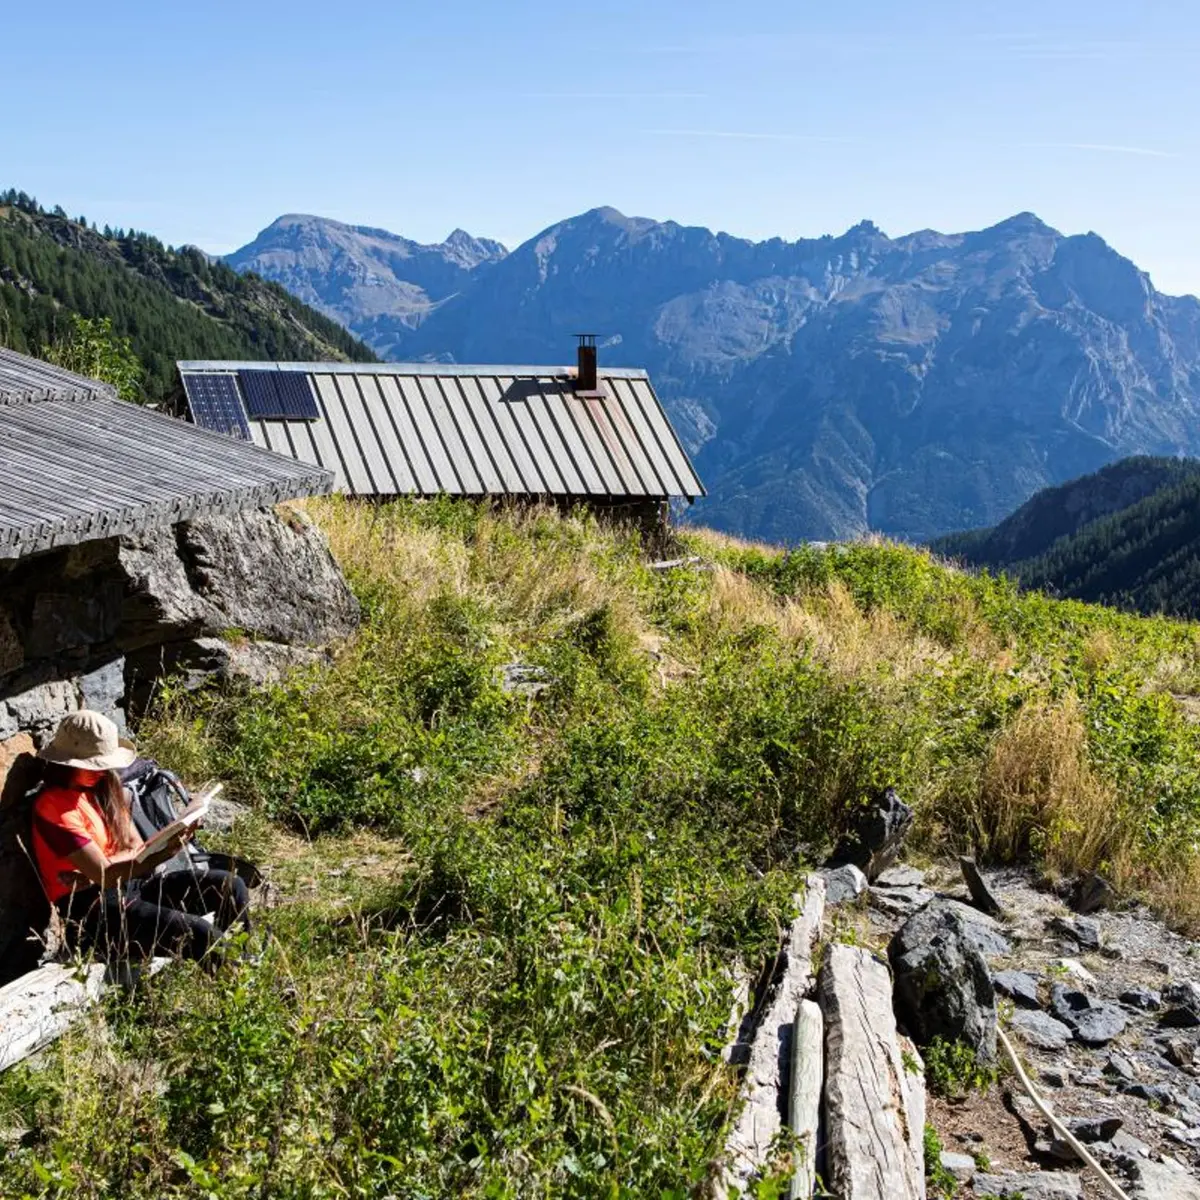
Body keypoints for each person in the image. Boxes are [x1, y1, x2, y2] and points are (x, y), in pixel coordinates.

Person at [30, 710, 250, 963]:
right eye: (93, 765)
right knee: (199, 934)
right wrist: (159, 853)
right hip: (98, 913)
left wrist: (102, 871)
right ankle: (235, 984)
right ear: (67, 763)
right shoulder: (54, 807)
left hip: (135, 885)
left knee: (230, 887)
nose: (101, 772)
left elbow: (131, 847)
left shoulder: (103, 788)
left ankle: (244, 971)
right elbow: (107, 875)